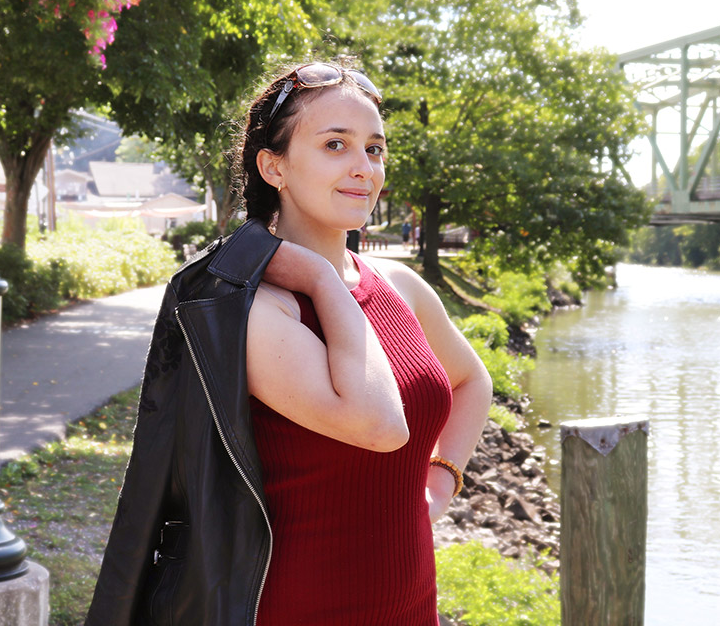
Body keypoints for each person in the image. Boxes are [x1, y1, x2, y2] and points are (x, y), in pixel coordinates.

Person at [86, 62, 492, 626]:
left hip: (411, 604)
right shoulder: (258, 311)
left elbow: (473, 381)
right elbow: (380, 426)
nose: (363, 168)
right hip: (299, 605)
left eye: (375, 149)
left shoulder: (400, 286)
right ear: (273, 166)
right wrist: (322, 279)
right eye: (335, 145)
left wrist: (440, 482)